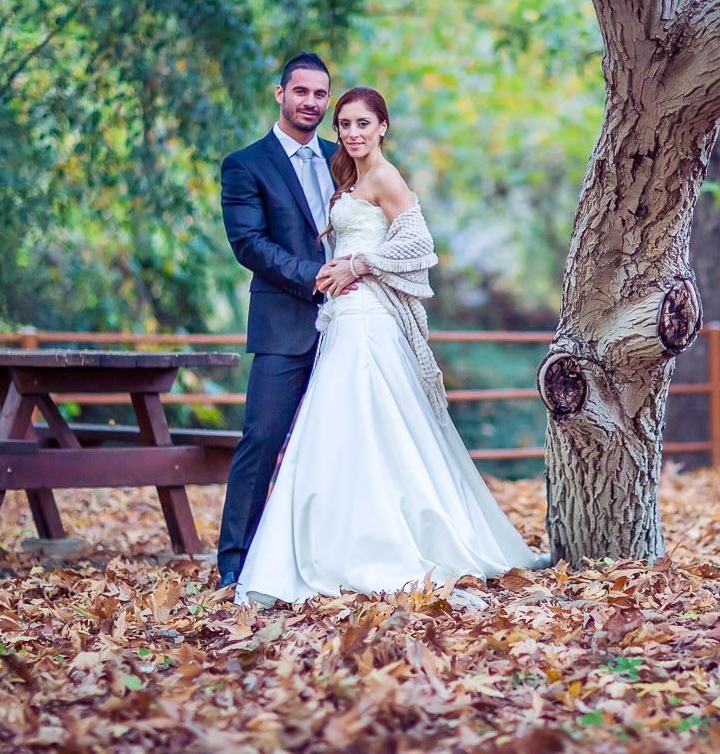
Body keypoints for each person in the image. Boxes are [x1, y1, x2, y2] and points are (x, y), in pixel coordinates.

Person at [234, 86, 548, 607]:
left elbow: (419, 244)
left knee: (371, 420)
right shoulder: (348, 177)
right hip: (340, 319)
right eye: (345, 125)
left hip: (369, 315)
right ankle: (330, 540)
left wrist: (361, 264)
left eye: (363, 124)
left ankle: (386, 542)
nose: (353, 134)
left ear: (382, 126)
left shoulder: (385, 176)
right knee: (339, 426)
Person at [216, 53, 358, 590]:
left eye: (321, 94)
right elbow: (248, 244)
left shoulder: (343, 156)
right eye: (301, 92)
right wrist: (318, 275)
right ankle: (235, 560)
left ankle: (323, 554)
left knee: (340, 442)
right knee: (263, 438)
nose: (312, 103)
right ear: (280, 94)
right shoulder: (245, 165)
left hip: (351, 327)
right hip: (285, 325)